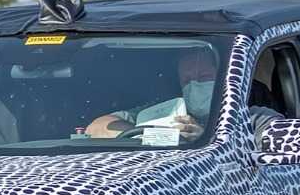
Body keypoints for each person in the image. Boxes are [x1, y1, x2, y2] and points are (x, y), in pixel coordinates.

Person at [85, 46, 214, 140]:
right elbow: (97, 127)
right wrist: (151, 135)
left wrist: (204, 138)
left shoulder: (233, 115)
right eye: (186, 80)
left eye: (204, 77)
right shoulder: (169, 109)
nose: (194, 85)